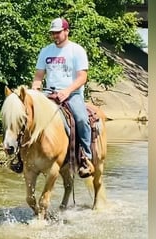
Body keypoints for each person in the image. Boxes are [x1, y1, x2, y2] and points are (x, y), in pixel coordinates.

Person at [31, 17, 94, 178]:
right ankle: (20, 156)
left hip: (72, 94)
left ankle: (86, 157)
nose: (55, 36)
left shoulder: (77, 50)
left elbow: (82, 77)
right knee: (28, 116)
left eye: (58, 33)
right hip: (48, 93)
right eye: (53, 33)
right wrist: (34, 90)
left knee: (81, 119)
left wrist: (66, 91)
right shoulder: (45, 51)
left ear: (66, 31)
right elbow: (39, 76)